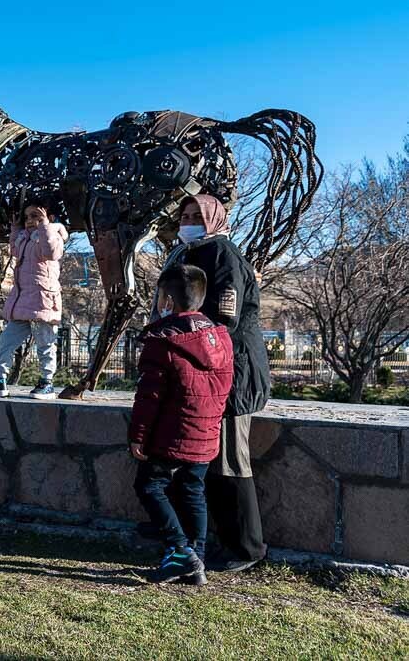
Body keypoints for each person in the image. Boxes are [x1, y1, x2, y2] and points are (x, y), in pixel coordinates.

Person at [157, 194, 270, 573]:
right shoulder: (186, 252)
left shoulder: (222, 254)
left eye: (197, 215)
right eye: (185, 215)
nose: (189, 221)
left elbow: (228, 319)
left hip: (231, 375)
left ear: (215, 218)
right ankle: (190, 535)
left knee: (229, 460)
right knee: (192, 457)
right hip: (201, 372)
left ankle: (245, 547)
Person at [130, 264, 234, 585]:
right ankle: (197, 560)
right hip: (206, 434)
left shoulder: (163, 341)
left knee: (148, 486)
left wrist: (138, 436)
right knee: (193, 491)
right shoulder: (221, 338)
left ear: (168, 300)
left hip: (172, 435)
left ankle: (180, 551)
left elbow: (149, 397)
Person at [0, 203, 68, 399]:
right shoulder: (25, 239)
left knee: (46, 342)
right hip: (22, 300)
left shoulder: (53, 234)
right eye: (27, 217)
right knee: (7, 341)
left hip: (43, 299)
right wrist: (15, 228)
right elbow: (15, 251)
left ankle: (47, 382)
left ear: (48, 218)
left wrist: (45, 225)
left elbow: (51, 252)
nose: (30, 221)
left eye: (35, 216)